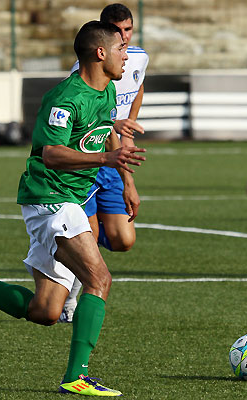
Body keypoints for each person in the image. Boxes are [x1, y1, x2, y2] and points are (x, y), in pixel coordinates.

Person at [0, 21, 146, 397]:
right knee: (99, 279)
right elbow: (52, 154)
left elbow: (92, 128)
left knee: (45, 311)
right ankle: (77, 376)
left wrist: (116, 137)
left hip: (65, 199)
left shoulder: (106, 92)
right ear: (100, 53)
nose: (126, 54)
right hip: (52, 199)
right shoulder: (65, 98)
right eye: (121, 48)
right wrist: (107, 157)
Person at [61, 2, 149, 323]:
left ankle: (73, 249)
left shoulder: (135, 59)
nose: (124, 39)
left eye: (128, 30)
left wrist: (128, 126)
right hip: (86, 161)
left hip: (112, 155)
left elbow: (138, 87)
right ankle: (73, 292)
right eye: (118, 32)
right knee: (92, 248)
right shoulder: (80, 78)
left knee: (124, 240)